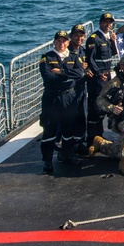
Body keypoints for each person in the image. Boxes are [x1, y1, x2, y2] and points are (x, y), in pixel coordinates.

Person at [39, 30, 86, 173]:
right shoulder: (47, 58)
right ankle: (47, 160)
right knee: (49, 130)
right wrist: (68, 76)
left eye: (64, 41)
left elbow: (80, 73)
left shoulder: (73, 56)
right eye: (59, 41)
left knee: (69, 128)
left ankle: (68, 155)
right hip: (52, 98)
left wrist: (61, 72)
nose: (62, 43)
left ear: (68, 42)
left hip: (69, 97)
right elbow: (47, 77)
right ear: (54, 42)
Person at [84, 12, 118, 146]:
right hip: (98, 77)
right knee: (95, 106)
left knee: (102, 105)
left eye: (110, 23)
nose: (108, 25)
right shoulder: (94, 38)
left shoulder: (107, 38)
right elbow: (90, 58)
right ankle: (92, 139)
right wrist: (98, 74)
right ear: (100, 23)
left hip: (107, 74)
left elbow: (113, 53)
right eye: (106, 22)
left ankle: (100, 137)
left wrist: (114, 42)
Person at [67, 25, 90, 153]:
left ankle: (80, 143)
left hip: (81, 88)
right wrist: (81, 69)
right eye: (76, 35)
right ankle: (66, 148)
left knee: (82, 116)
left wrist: (86, 70)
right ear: (71, 37)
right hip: (70, 90)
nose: (79, 38)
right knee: (69, 119)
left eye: (81, 36)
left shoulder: (82, 51)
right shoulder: (66, 51)